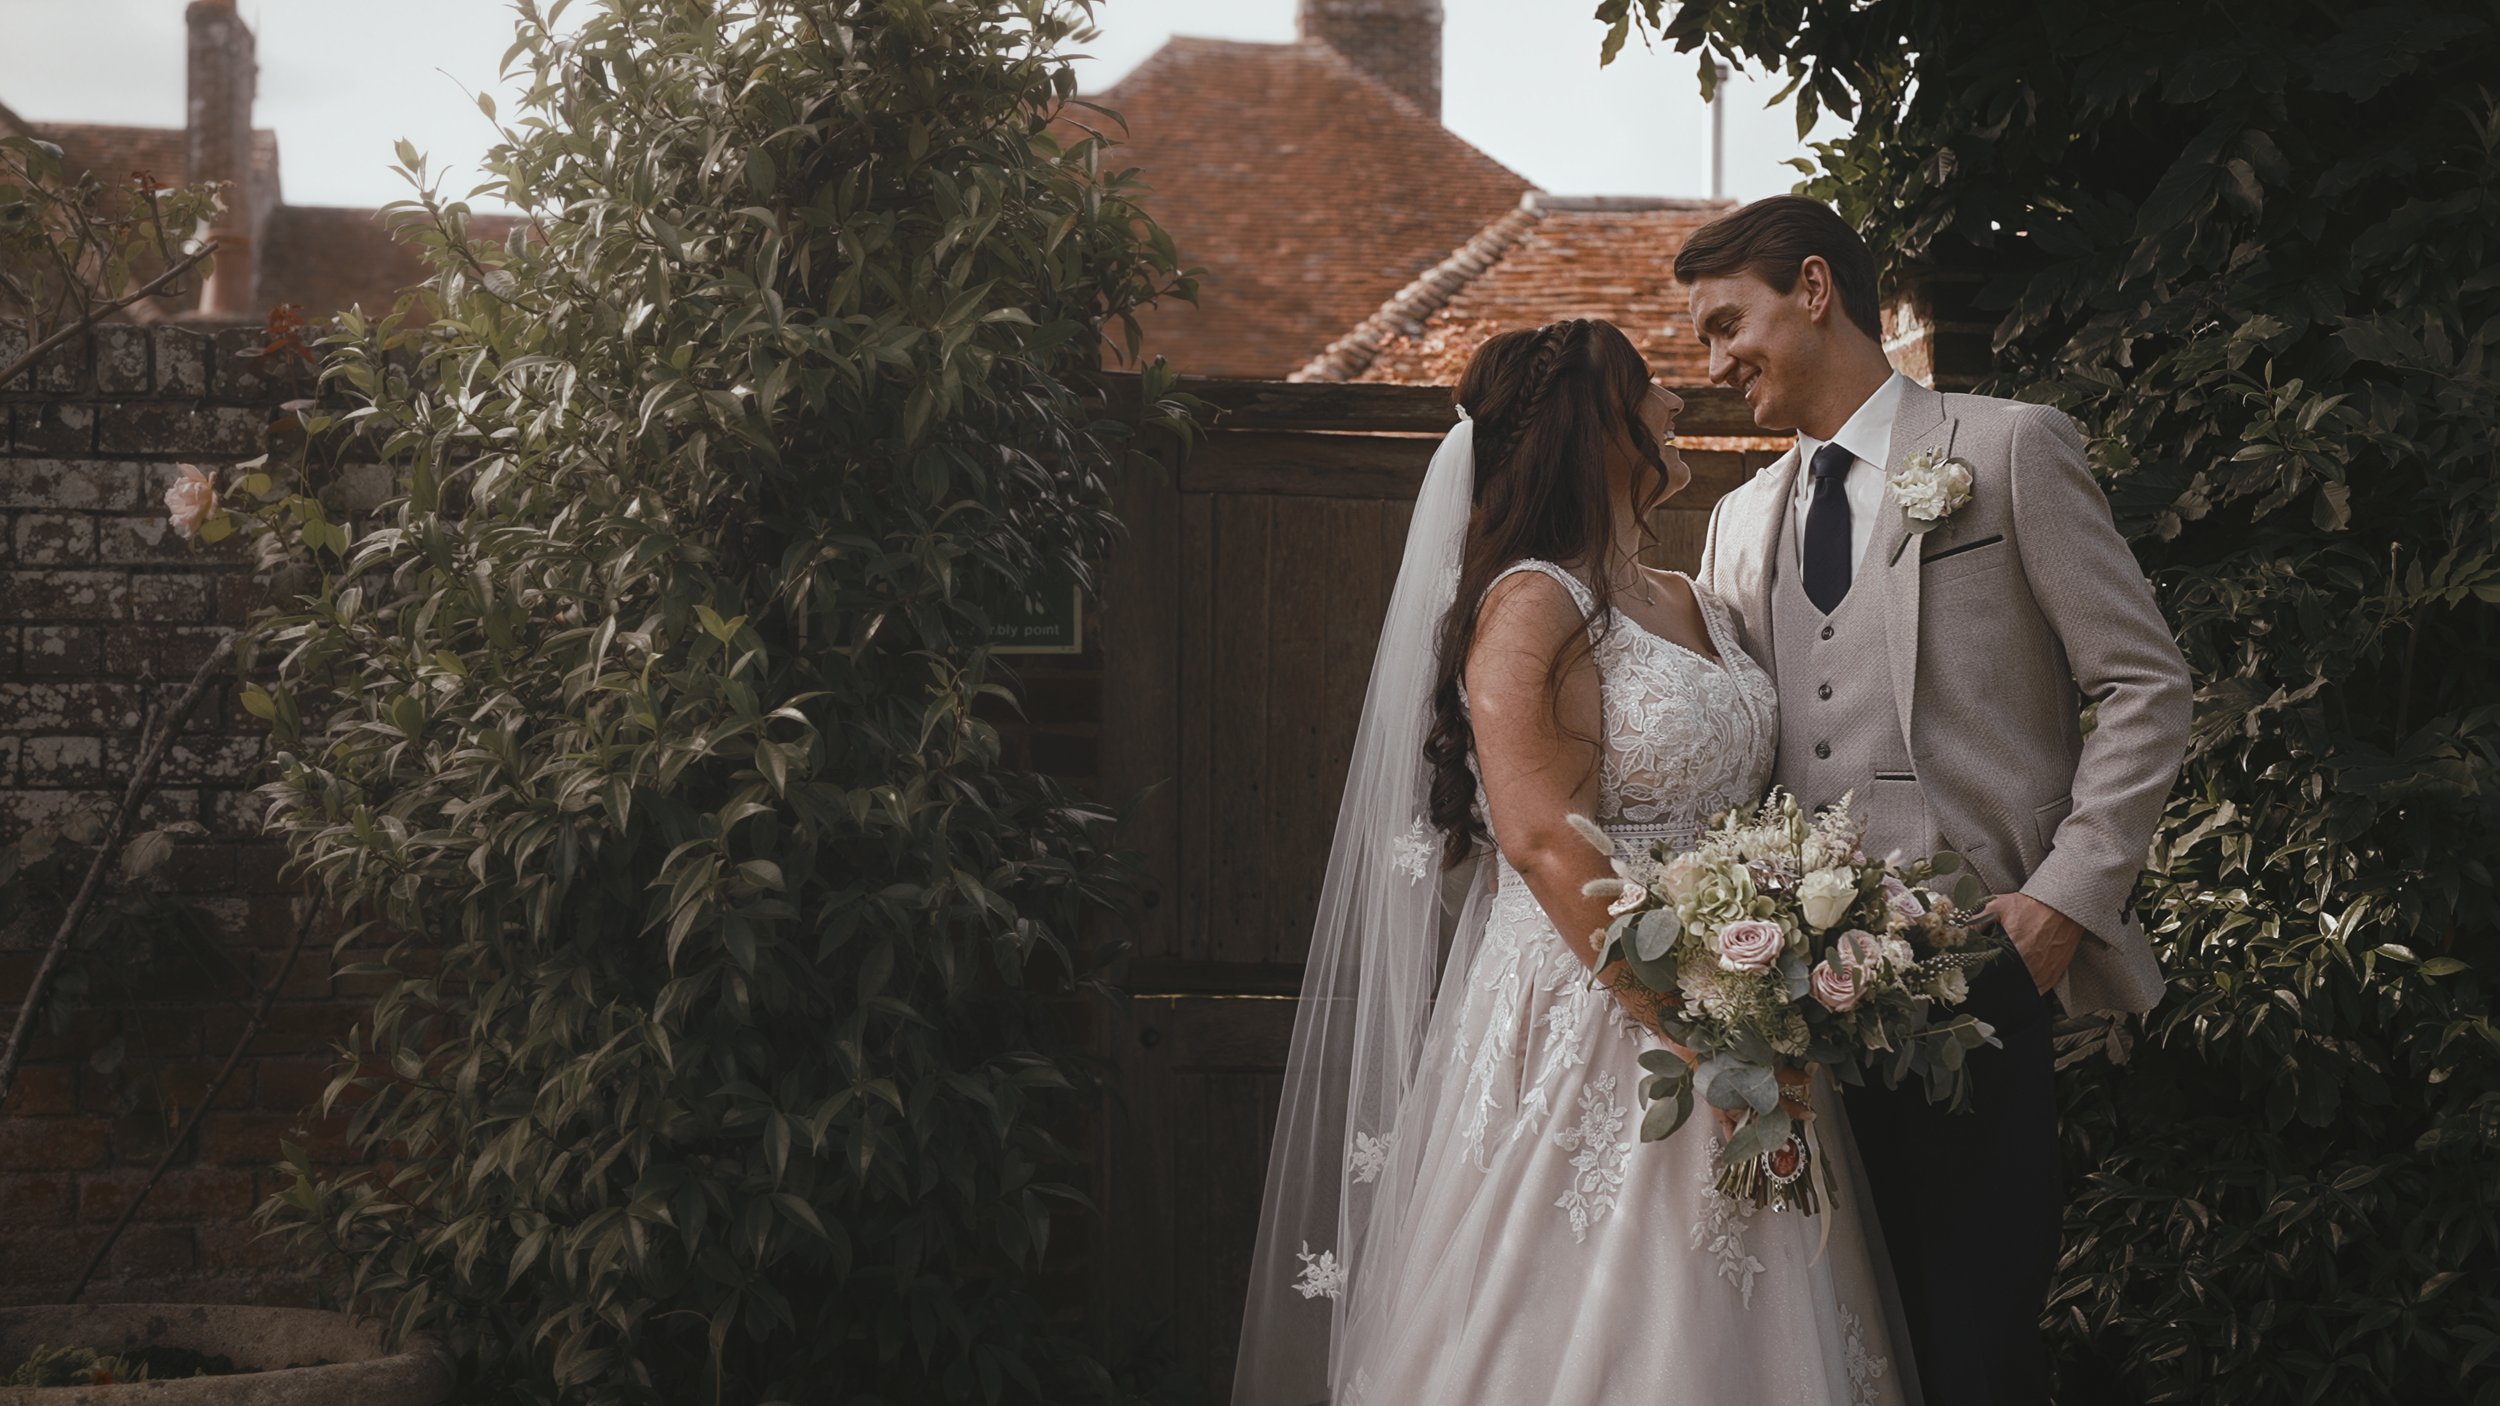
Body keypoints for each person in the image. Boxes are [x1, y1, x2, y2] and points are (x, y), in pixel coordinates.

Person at [1233, 316, 1914, 1406]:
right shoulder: (1531, 602)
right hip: (1595, 1001)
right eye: (1647, 391)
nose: (1673, 405)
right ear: (1590, 424)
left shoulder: (1690, 597)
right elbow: (1545, 838)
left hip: (1740, 995)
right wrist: (1693, 1041)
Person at [1684, 196, 2192, 1406]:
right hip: (1788, 1008)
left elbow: (2142, 681)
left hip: (1983, 970)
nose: (1711, 363)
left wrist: (2064, 899)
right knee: (1829, 1358)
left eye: (1725, 322)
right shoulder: (1735, 518)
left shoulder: (2009, 446)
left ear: (1814, 287)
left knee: (1974, 1351)